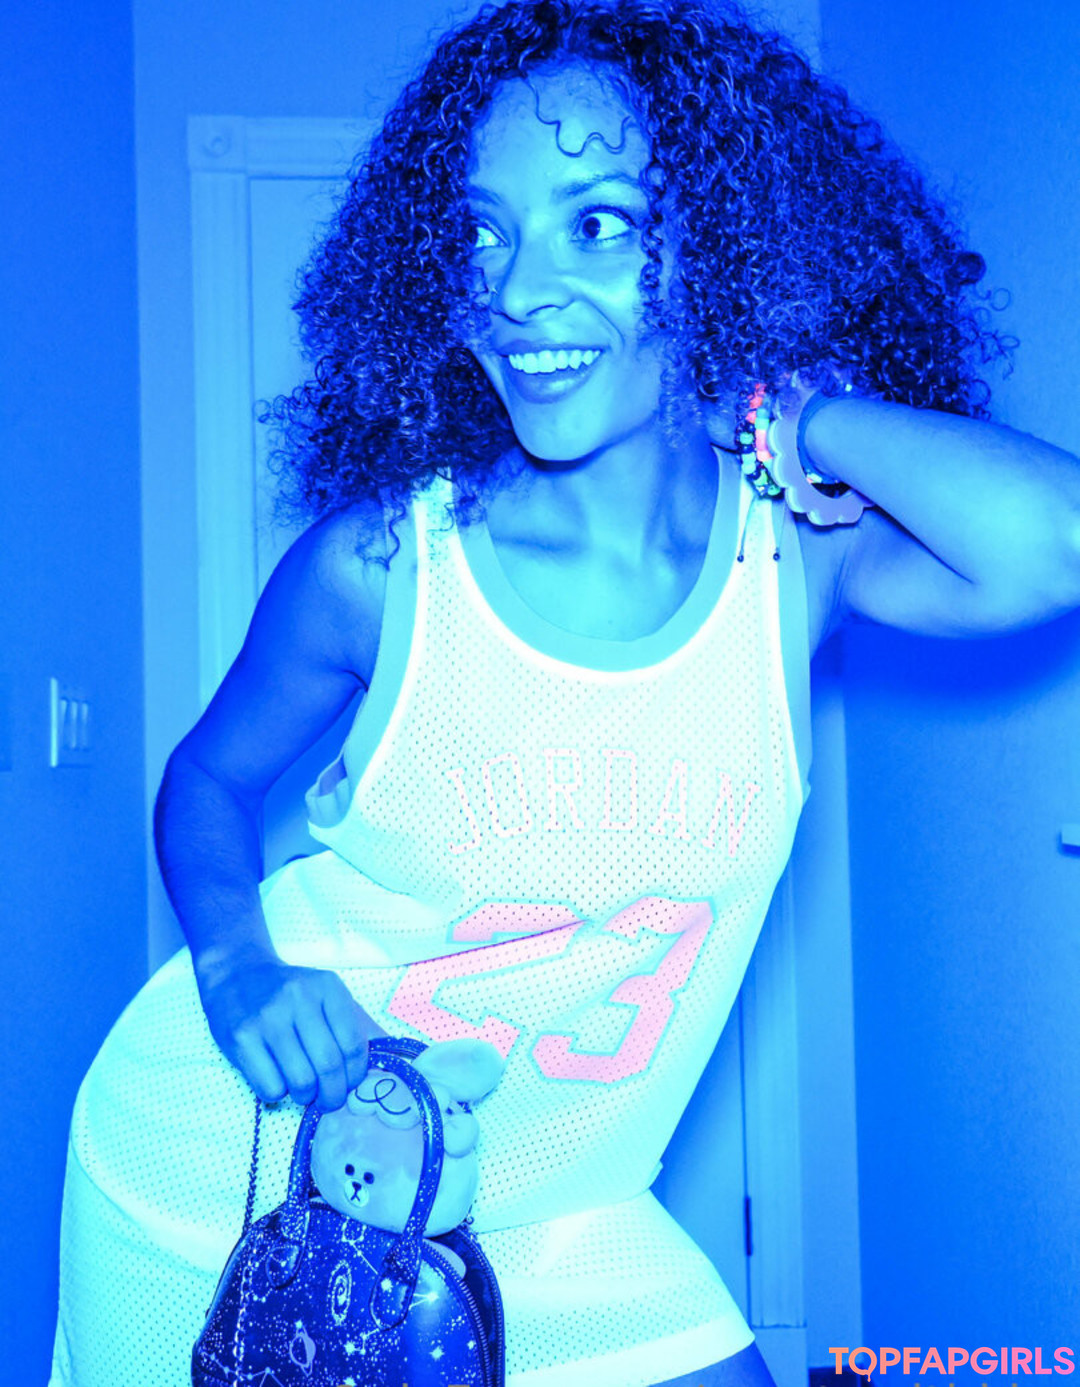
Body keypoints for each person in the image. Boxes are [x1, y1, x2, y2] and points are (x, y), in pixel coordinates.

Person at [50, 2, 1080, 1385]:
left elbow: (1054, 541)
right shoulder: (383, 568)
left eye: (597, 224)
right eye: (483, 235)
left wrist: (806, 415)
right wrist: (238, 967)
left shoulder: (792, 567)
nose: (520, 290)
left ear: (720, 250)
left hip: (561, 1207)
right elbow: (209, 779)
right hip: (237, 1166)